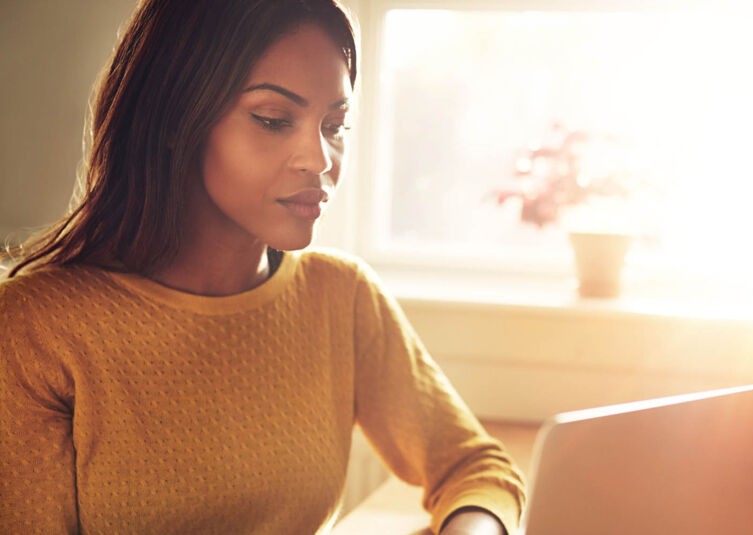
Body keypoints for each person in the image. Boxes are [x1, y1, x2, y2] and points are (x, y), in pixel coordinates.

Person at [0, 1, 525, 533]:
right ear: (176, 120)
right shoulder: (35, 329)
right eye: (274, 120)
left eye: (335, 125)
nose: (319, 160)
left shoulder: (340, 297)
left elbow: (476, 470)